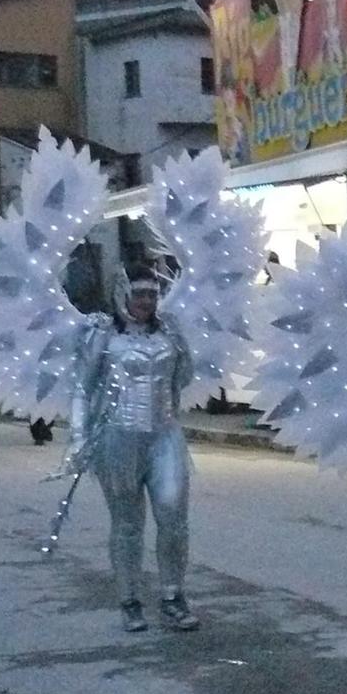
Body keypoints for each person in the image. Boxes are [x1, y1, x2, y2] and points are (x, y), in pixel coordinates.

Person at [67, 269, 197, 632]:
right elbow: (82, 388)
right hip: (118, 438)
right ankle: (130, 600)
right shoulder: (102, 335)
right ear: (123, 294)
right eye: (139, 294)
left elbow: (184, 379)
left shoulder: (169, 330)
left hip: (165, 435)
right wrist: (78, 439)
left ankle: (173, 596)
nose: (146, 302)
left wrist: (183, 349)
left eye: (153, 295)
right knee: (127, 525)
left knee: (173, 519)